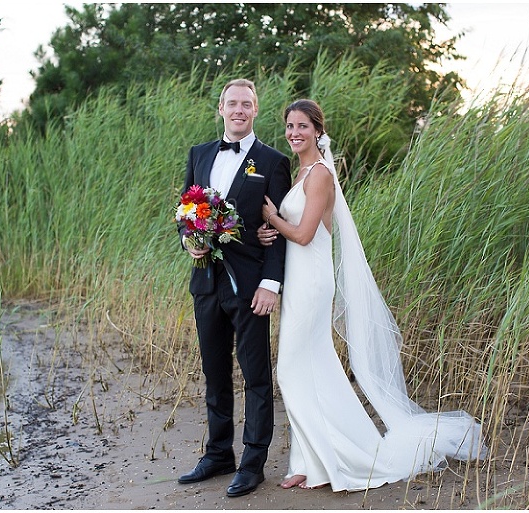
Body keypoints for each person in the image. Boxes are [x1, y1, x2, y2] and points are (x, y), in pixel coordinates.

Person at [257, 99, 487, 491]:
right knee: (314, 368)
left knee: (291, 369)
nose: (294, 133)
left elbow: (306, 234)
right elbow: (291, 233)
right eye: (290, 127)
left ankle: (336, 458)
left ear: (317, 131)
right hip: (297, 280)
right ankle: (311, 461)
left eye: (302, 127)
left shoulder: (320, 176)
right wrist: (271, 232)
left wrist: (273, 218)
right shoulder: (300, 173)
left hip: (312, 281)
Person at [176, 79, 292, 497]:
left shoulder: (273, 161)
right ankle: (218, 453)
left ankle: (253, 461)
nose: (239, 110)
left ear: (256, 110)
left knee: (256, 373)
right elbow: (185, 214)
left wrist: (270, 283)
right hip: (205, 282)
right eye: (232, 103)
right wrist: (190, 240)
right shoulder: (199, 154)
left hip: (249, 286)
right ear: (220, 108)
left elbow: (276, 230)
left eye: (247, 104)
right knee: (214, 371)